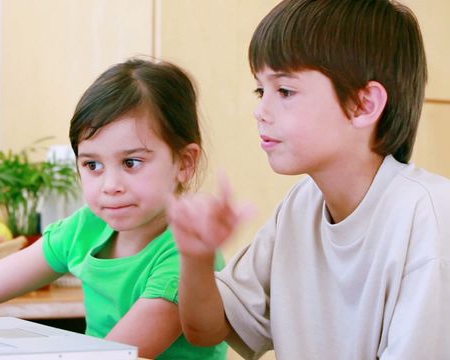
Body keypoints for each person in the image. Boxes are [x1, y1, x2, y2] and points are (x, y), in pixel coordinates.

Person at [0, 58, 228, 360]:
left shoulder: (184, 254)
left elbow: (115, 355)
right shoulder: (87, 227)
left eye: (131, 162)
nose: (110, 184)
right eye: (92, 165)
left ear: (184, 163)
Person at [168, 0, 450, 359]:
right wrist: (197, 256)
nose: (260, 111)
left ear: (364, 104)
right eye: (261, 91)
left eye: (284, 91)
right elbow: (206, 329)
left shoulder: (430, 215)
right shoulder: (301, 204)